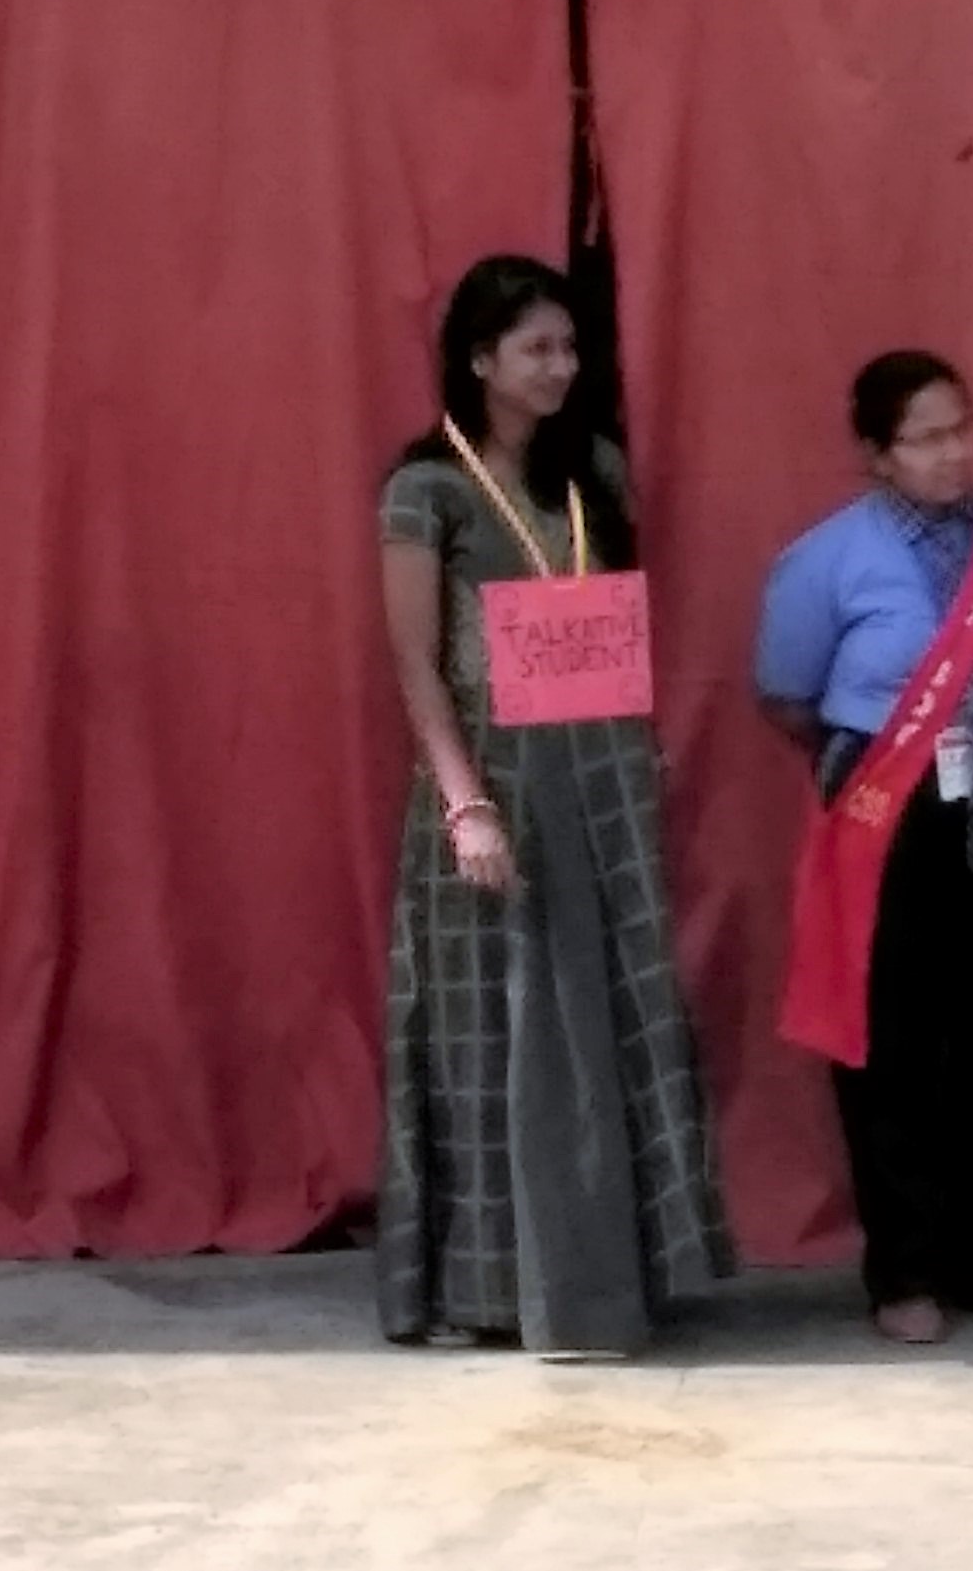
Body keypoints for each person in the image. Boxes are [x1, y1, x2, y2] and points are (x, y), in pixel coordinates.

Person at [372, 254, 733, 1353]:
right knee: (487, 1028)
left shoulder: (596, 473)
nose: (559, 366)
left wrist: (638, 742)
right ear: (480, 360)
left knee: (610, 1013)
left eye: (569, 346)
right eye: (535, 348)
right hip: (493, 778)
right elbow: (416, 662)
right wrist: (464, 805)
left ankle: (619, 1275)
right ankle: (481, 1287)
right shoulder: (426, 489)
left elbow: (615, 623)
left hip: (602, 775)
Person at [756, 351, 973, 1345]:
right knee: (894, 1034)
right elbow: (786, 694)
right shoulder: (826, 558)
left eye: (961, 429)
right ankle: (903, 1265)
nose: (952, 453)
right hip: (889, 804)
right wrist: (883, 759)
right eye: (925, 438)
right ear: (877, 454)